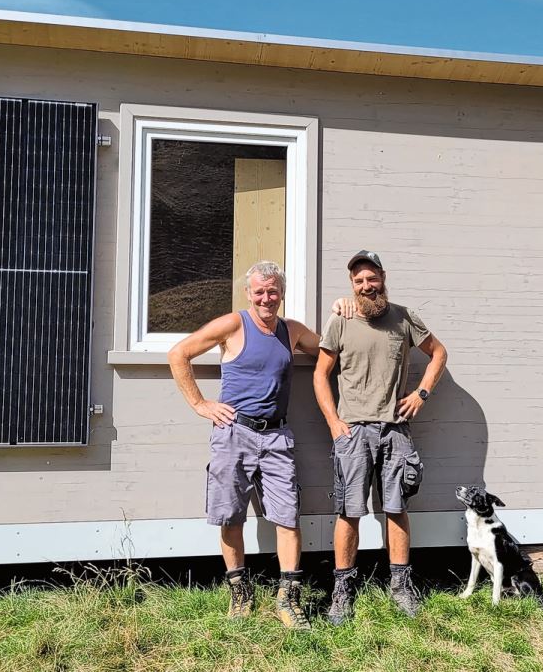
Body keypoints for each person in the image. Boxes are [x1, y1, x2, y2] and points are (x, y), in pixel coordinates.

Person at [168, 260, 330, 629]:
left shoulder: (292, 331)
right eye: (259, 291)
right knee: (230, 515)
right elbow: (179, 354)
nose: (266, 298)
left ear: (282, 294)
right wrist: (200, 403)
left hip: (276, 436)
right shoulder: (233, 324)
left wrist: (343, 310)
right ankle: (240, 595)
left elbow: (330, 352)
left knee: (288, 516)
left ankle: (288, 600)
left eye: (273, 291)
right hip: (233, 434)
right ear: (249, 293)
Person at [313, 250, 449, 623]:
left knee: (396, 508)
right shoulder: (340, 320)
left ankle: (401, 587)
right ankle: (342, 592)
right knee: (349, 512)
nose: (366, 286)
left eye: (371, 278)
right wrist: (333, 422)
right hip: (353, 432)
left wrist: (421, 394)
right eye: (358, 281)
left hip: (395, 430)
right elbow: (320, 375)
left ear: (383, 278)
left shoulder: (404, 318)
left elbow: (438, 353)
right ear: (352, 286)